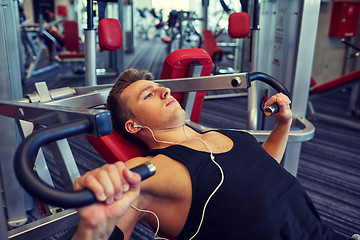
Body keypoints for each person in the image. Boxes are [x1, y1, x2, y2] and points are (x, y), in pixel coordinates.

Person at [71, 68, 357, 240]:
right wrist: (91, 227)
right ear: (133, 125)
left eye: (159, 86)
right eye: (148, 94)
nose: (163, 90)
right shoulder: (147, 171)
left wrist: (282, 125)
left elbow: (262, 168)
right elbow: (107, 223)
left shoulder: (218, 134)